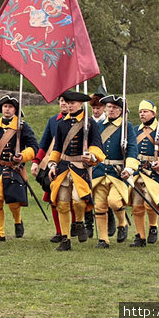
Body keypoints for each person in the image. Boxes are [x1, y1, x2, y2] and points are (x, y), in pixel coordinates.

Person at [47, 90, 105, 251]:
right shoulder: (62, 123)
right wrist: (52, 164)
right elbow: (57, 148)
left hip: (80, 168)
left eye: (72, 103)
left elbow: (96, 144)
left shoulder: (89, 123)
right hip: (64, 168)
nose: (69, 105)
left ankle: (79, 222)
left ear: (80, 104)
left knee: (79, 201)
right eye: (67, 102)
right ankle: (65, 239)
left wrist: (92, 156)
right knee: (62, 204)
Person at [0, 95, 39, 241]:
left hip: (14, 168)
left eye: (10, 107)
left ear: (15, 110)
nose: (7, 109)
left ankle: (18, 221)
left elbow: (34, 147)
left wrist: (22, 156)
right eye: (5, 106)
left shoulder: (22, 126)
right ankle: (0, 233)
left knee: (13, 202)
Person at [92, 95, 139, 248]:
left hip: (117, 171)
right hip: (99, 171)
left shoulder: (127, 127)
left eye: (114, 108)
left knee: (113, 201)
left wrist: (130, 168)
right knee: (99, 206)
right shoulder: (98, 126)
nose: (111, 110)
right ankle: (103, 239)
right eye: (109, 107)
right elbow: (94, 146)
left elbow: (133, 149)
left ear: (121, 110)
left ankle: (122, 223)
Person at [31, 96, 79, 243]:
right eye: (62, 101)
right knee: (55, 199)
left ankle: (75, 225)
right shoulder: (53, 121)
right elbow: (44, 143)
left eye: (67, 101)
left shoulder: (80, 121)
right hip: (55, 165)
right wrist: (36, 161)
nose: (64, 104)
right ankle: (60, 232)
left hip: (75, 165)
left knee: (74, 200)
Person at [129, 99, 159, 247]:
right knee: (137, 206)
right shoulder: (135, 130)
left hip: (153, 173)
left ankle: (153, 227)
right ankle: (140, 236)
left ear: (153, 113)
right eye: (141, 112)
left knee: (150, 204)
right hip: (137, 172)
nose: (142, 114)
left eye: (145, 111)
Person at [86, 84, 110, 238]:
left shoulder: (109, 122)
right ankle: (89, 223)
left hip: (104, 164)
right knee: (87, 194)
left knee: (106, 197)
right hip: (89, 163)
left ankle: (111, 219)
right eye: (94, 108)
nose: (96, 111)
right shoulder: (87, 122)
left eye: (99, 107)